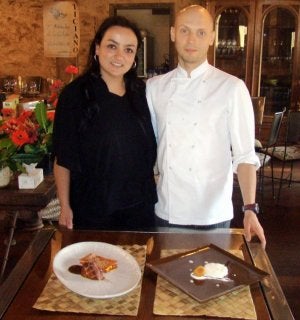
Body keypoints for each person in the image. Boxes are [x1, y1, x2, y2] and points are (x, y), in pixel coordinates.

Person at [146, 5, 266, 248]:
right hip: (168, 209)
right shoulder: (154, 87)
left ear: (212, 37)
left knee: (211, 280)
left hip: (214, 214)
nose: (192, 39)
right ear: (172, 33)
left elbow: (244, 156)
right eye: (184, 31)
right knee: (167, 281)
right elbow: (152, 146)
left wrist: (250, 208)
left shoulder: (232, 88)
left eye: (201, 33)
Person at [53, 16, 157, 230]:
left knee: (138, 262)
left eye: (128, 49)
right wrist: (65, 206)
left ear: (134, 57)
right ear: (97, 48)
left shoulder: (141, 93)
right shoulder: (75, 95)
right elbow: (63, 158)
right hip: (93, 210)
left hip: (140, 208)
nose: (120, 56)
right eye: (112, 46)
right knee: (95, 263)